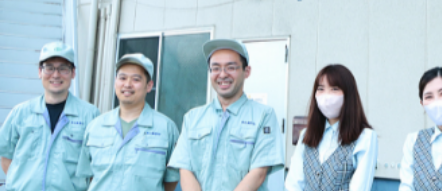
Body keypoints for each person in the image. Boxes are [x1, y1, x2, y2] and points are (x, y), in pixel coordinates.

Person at [168, 39, 285, 191]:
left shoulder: (264, 115)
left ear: (247, 71)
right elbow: (185, 169)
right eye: (215, 68)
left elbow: (259, 172)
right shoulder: (192, 118)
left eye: (231, 67)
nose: (222, 74)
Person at [0, 42, 100, 191]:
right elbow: (6, 155)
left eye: (63, 68)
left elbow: (96, 165)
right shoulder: (20, 113)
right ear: (39, 72)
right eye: (49, 68)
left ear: (73, 73)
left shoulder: (90, 115)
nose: (56, 75)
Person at [76, 53, 180, 191]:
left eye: (136, 79)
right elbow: (88, 176)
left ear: (149, 86)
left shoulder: (166, 128)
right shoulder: (95, 126)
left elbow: (171, 180)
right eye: (122, 78)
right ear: (115, 82)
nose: (127, 84)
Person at [286, 64, 378, 191]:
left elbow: (360, 187)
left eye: (334, 89)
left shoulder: (365, 137)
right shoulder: (306, 134)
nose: (326, 96)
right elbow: (293, 183)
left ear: (348, 94)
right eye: (321, 89)